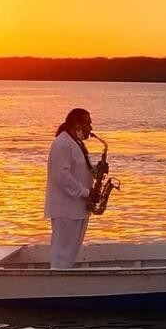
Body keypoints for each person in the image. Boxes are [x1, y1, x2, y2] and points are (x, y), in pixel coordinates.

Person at [44, 108, 101, 269]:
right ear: (77, 124)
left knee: (70, 254)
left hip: (77, 209)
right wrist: (86, 192)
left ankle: (63, 286)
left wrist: (96, 170)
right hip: (66, 210)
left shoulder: (76, 143)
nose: (91, 127)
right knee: (62, 255)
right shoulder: (62, 144)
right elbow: (62, 177)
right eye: (88, 123)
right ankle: (57, 287)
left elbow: (79, 170)